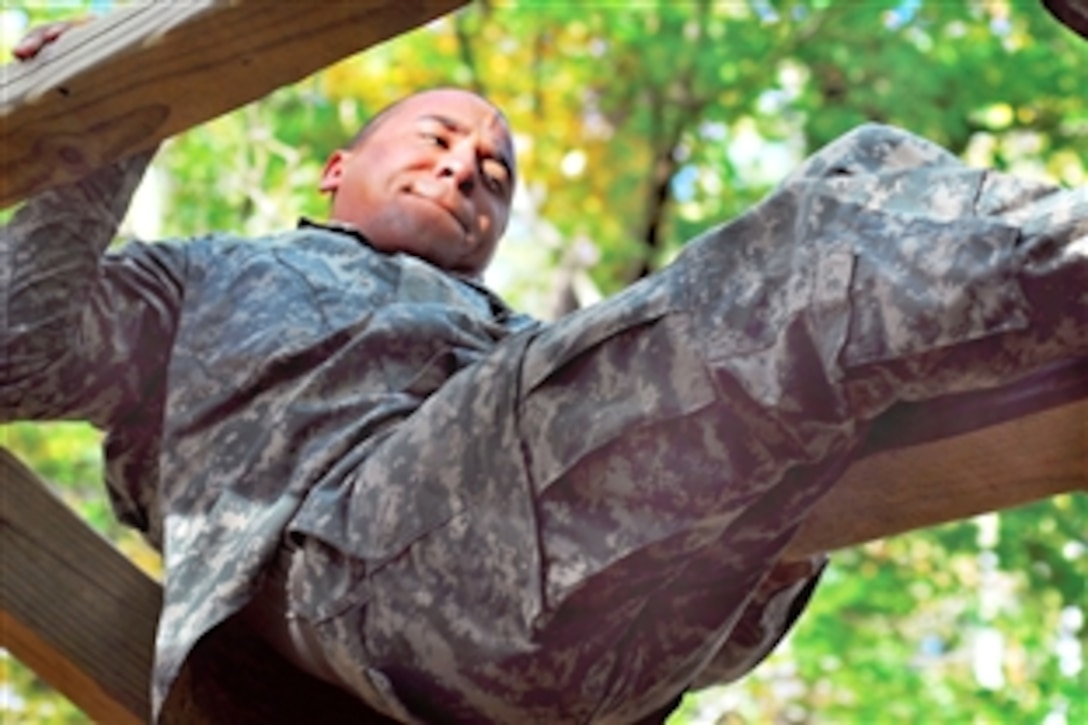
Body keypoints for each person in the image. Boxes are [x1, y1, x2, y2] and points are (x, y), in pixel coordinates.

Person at [3, 16, 1086, 725]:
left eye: (493, 173)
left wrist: (768, 543)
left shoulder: (521, 356)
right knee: (843, 220)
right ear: (337, 170)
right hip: (359, 579)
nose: (463, 167)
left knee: (859, 327)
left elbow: (714, 642)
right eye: (434, 138)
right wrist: (98, 128)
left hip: (574, 675)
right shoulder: (208, 282)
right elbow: (19, 346)